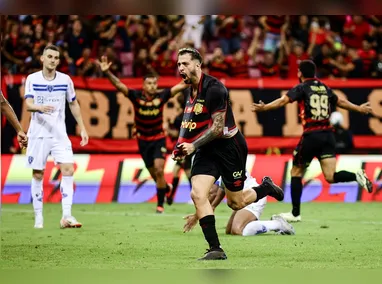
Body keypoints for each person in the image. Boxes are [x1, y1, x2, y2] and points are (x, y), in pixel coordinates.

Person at [173, 47, 284, 261]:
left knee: (236, 203)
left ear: (198, 65)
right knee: (197, 194)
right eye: (178, 64)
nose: (180, 68)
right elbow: (188, 123)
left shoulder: (215, 89)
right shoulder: (190, 91)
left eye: (185, 64)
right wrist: (180, 145)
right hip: (207, 148)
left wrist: (192, 146)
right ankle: (215, 248)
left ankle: (265, 188)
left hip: (229, 147)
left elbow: (217, 128)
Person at [252, 60, 373, 223]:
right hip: (329, 136)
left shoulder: (302, 87)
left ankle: (295, 213)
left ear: (300, 73)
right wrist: (359, 108)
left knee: (296, 172)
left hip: (312, 135)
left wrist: (265, 108)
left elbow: (283, 100)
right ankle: (356, 176)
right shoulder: (324, 88)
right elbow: (341, 102)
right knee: (330, 176)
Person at [98, 56, 189, 213]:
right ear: (143, 85)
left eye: (154, 83)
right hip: (143, 141)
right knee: (155, 175)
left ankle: (160, 205)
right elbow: (119, 85)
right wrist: (107, 73)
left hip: (159, 139)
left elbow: (181, 85)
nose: (153, 86)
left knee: (160, 170)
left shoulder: (162, 96)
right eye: (149, 83)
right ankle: (166, 187)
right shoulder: (135, 96)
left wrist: (191, 73)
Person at [24, 44, 89, 229]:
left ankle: (66, 216)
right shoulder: (32, 79)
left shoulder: (65, 80)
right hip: (38, 134)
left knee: (68, 170)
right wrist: (39, 107)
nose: (53, 60)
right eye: (50, 56)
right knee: (38, 174)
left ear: (59, 61)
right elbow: (28, 103)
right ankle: (38, 218)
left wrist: (82, 128)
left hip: (59, 134)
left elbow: (73, 103)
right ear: (42, 59)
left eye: (56, 57)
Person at [183, 171, 296, 236]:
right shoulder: (224, 161)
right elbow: (217, 195)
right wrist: (198, 215)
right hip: (242, 199)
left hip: (252, 196)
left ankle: (277, 224)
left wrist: (197, 217)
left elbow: (213, 194)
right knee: (229, 231)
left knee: (237, 231)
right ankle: (260, 223)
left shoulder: (224, 162)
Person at [164, 94, 192, 205]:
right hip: (186, 147)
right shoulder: (187, 116)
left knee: (188, 172)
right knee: (177, 171)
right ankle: (170, 197)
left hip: (184, 147)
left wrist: (167, 129)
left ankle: (196, 196)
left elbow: (177, 133)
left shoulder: (180, 118)